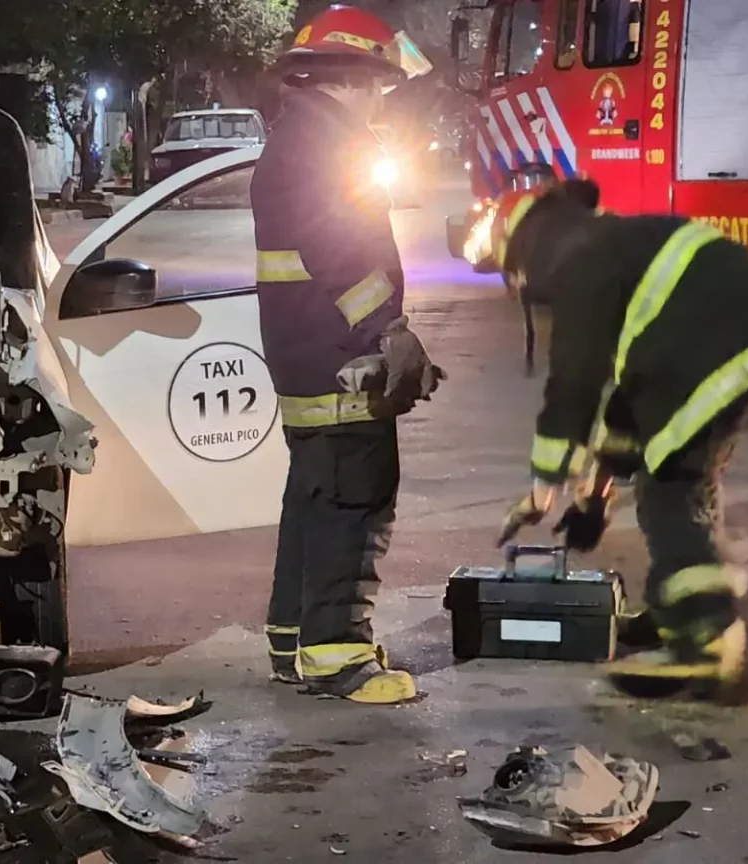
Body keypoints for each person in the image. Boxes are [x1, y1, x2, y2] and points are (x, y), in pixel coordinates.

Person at [495, 177, 748, 700]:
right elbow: (630, 399)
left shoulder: (580, 259)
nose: (520, 284)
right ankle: (678, 609)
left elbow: (575, 379)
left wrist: (544, 487)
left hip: (719, 341)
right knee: (682, 469)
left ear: (527, 244)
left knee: (669, 488)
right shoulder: (610, 244)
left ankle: (705, 636)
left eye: (514, 271)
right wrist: (595, 494)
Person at [253, 5, 440, 704]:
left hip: (311, 351)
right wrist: (386, 332)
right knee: (354, 497)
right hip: (340, 356)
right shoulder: (323, 145)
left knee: (315, 496)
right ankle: (338, 655)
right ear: (352, 78)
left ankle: (294, 642)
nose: (381, 99)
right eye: (379, 85)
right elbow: (338, 253)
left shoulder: (299, 136)